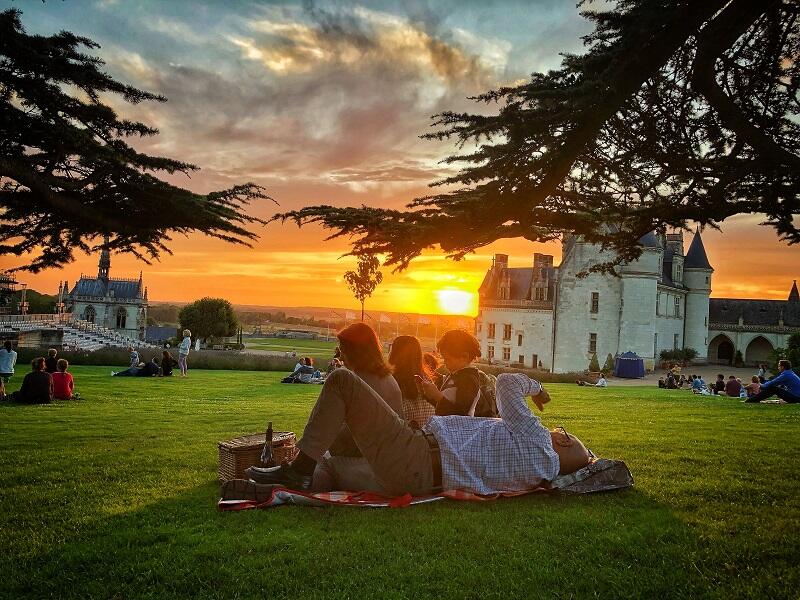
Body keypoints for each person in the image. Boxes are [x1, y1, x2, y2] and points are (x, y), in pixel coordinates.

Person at [238, 372, 590, 497]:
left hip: (416, 455)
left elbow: (507, 383)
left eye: (565, 433)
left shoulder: (539, 441)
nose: (559, 431)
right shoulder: (540, 473)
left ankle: (297, 472)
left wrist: (537, 387)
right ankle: (271, 485)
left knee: (342, 381)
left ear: (562, 441)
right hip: (419, 479)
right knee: (335, 466)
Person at [309, 322, 403, 492]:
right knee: (316, 459)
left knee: (319, 465)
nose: (341, 356)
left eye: (342, 350)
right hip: (390, 464)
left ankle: (283, 485)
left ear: (355, 352)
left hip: (375, 471)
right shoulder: (387, 378)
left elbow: (344, 444)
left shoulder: (360, 384)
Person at [418, 330, 483, 416]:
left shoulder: (468, 379)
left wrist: (437, 395)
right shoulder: (454, 375)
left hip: (457, 428)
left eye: (448, 359)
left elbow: (461, 412)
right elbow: (443, 406)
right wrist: (430, 395)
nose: (444, 362)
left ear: (464, 356)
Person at [389, 335, 436, 428]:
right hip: (427, 436)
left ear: (395, 353)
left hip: (404, 435)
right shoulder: (426, 381)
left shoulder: (392, 381)